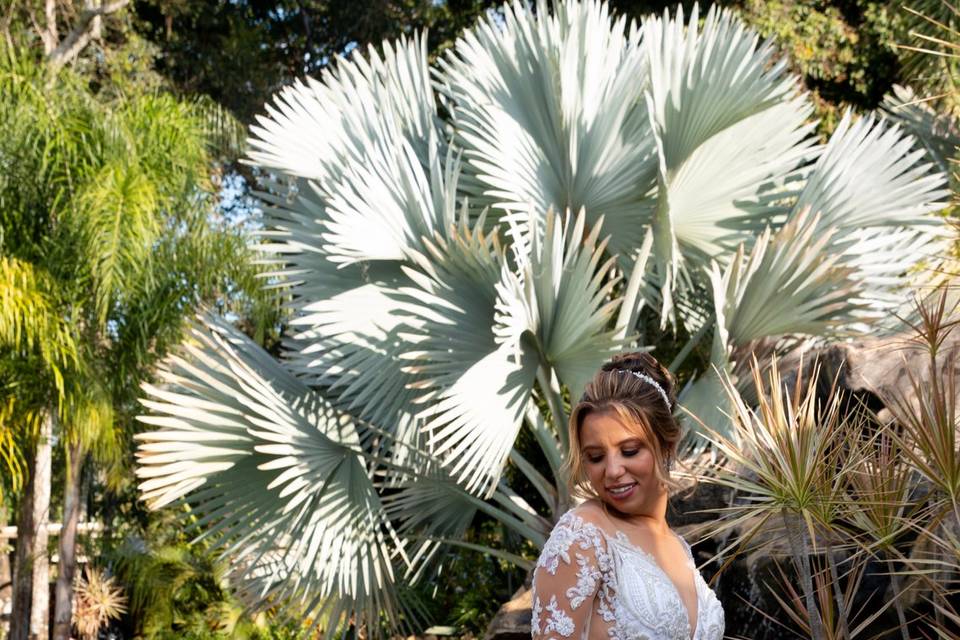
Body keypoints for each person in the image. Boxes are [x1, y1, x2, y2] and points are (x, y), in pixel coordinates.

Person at [530, 352, 725, 640]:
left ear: (667, 446)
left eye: (630, 451)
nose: (612, 470)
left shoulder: (678, 547)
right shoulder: (582, 536)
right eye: (595, 457)